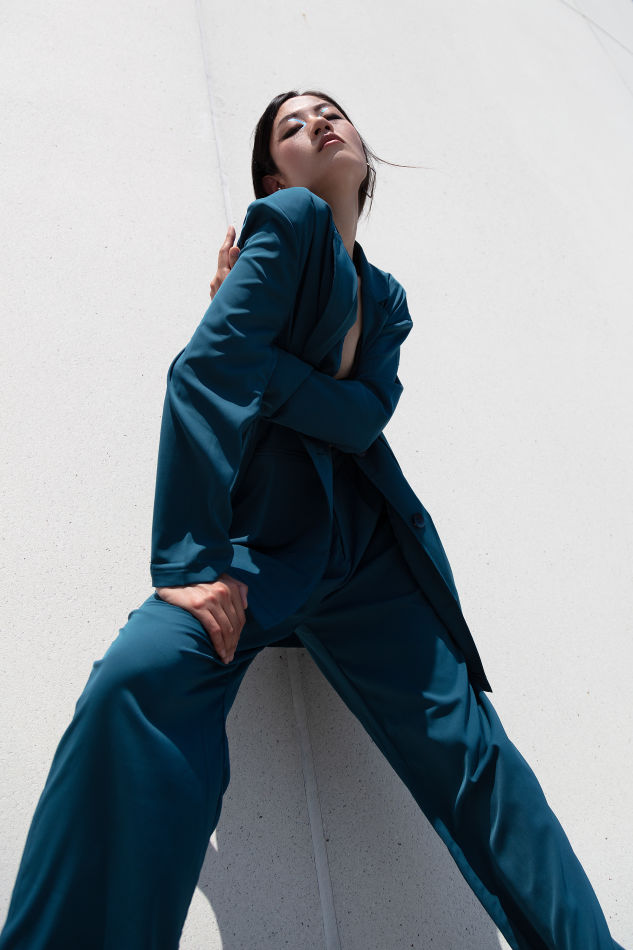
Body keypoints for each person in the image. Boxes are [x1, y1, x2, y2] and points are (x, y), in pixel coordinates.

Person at [0, 89, 626, 950]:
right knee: (136, 678)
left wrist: (267, 367)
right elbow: (204, 371)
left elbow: (362, 421)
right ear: (272, 177)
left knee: (477, 760)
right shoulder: (289, 222)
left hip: (368, 554)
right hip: (260, 546)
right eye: (291, 126)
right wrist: (188, 565)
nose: (318, 123)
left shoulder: (387, 297)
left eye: (329, 111)